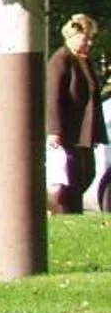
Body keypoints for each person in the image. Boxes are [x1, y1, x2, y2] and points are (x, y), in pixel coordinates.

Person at [45, 13, 100, 215]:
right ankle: (67, 213)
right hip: (69, 131)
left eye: (91, 38)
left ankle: (68, 210)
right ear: (73, 36)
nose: (89, 43)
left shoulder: (83, 60)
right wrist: (54, 130)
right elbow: (53, 98)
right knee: (70, 178)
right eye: (86, 38)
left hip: (84, 131)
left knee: (88, 173)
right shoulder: (61, 60)